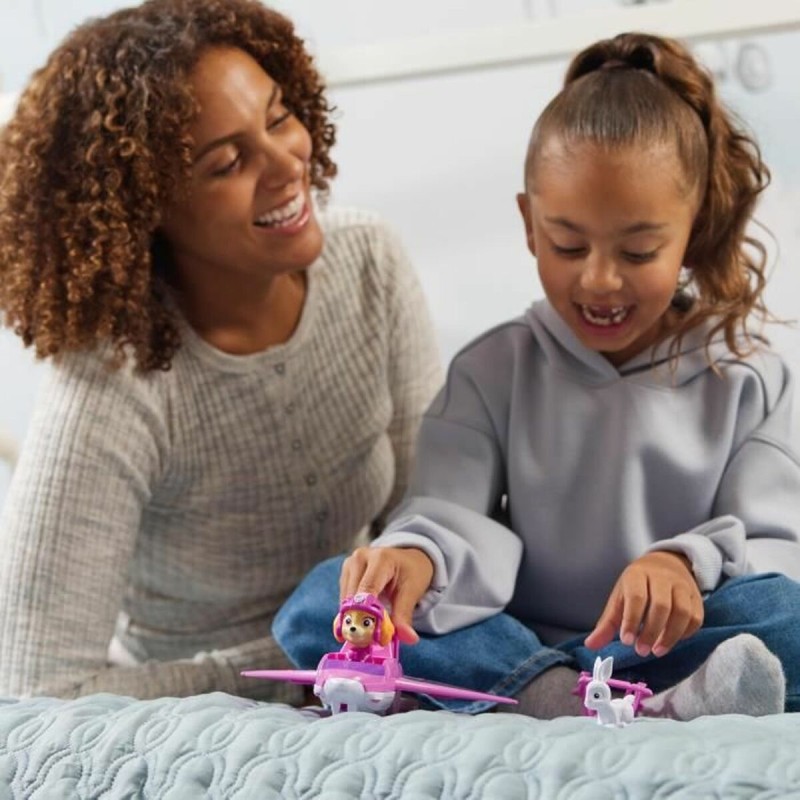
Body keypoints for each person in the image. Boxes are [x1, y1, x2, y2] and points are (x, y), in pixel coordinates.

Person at [275, 32, 800, 719]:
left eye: (639, 251)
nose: (600, 279)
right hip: (514, 642)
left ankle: (580, 695)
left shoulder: (751, 377)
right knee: (325, 600)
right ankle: (571, 698)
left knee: (786, 614)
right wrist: (414, 558)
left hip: (669, 647)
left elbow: (776, 550)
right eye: (568, 245)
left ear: (693, 229)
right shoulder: (492, 370)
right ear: (529, 224)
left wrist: (684, 563)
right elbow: (448, 512)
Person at [0, 0, 441, 700]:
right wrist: (305, 659)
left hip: (369, 676)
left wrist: (377, 637)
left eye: (279, 118)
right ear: (143, 208)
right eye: (228, 162)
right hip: (196, 716)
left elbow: (430, 519)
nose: (286, 164)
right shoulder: (111, 383)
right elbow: (34, 691)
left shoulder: (370, 265)